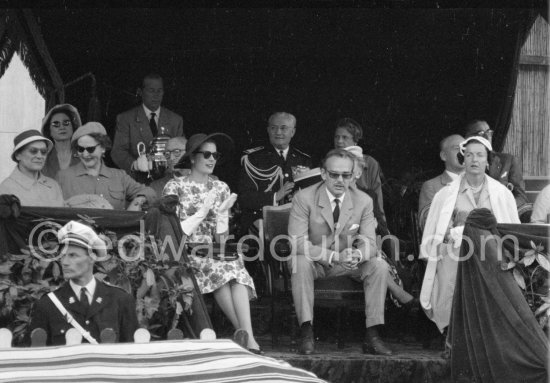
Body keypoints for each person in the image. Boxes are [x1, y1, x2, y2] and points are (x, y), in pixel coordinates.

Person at [289, 149, 416, 356]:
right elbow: (298, 243)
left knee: (378, 264)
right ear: (323, 174)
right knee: (299, 262)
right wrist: (336, 257)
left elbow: (369, 242)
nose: (340, 180)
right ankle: (306, 332)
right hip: (317, 264)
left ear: (353, 175)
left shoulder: (364, 200)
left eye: (346, 175)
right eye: (334, 174)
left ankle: (373, 335)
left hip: (349, 262)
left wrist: (358, 255)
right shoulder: (304, 198)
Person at [162, 133, 262, 354]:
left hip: (214, 251)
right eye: (206, 154)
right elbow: (178, 233)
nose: (211, 159)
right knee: (224, 270)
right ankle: (247, 338)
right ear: (192, 157)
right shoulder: (175, 186)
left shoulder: (221, 188)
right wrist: (202, 212)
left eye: (215, 155)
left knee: (233, 268)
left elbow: (221, 239)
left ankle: (246, 336)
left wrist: (222, 216)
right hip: (187, 252)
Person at [420, 136, 520, 335]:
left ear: (487, 161)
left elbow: (511, 232)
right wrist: (453, 233)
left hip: (490, 251)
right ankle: (452, 331)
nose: (474, 160)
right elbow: (437, 232)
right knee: (449, 263)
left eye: (480, 155)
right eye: (469, 155)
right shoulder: (446, 194)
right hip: (458, 252)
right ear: (463, 159)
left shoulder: (502, 194)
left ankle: (490, 331)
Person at [29, 220, 138, 345]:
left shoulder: (120, 300)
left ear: (92, 257)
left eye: (73, 255)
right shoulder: (48, 304)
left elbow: (132, 354)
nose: (64, 262)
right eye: (63, 256)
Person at [238, 112, 312, 234]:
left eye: (283, 128)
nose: (278, 132)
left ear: (292, 132)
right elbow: (245, 198)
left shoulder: (303, 159)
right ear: (268, 130)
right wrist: (275, 196)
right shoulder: (252, 158)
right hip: (261, 222)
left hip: (296, 222)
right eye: (273, 128)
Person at [57, 122, 157, 210]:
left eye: (90, 149)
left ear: (103, 148)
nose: (85, 154)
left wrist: (137, 202)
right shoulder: (63, 177)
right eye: (81, 149)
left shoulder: (119, 176)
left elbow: (150, 193)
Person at [111, 73, 185, 176]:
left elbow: (181, 151)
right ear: (141, 92)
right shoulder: (125, 119)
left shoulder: (175, 120)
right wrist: (134, 165)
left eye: (159, 91)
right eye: (151, 90)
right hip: (138, 180)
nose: (156, 95)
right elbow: (118, 152)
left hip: (167, 179)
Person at [464, 120, 530, 220]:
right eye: (481, 133)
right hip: (472, 216)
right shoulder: (466, 162)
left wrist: (502, 208)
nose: (487, 136)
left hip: (503, 216)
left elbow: (521, 197)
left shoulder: (508, 160)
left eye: (489, 132)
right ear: (469, 137)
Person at [333, 118, 385, 221]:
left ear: (355, 141)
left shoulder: (369, 163)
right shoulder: (329, 163)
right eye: (336, 137)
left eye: (344, 137)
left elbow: (378, 200)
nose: (339, 141)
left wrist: (382, 225)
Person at [0, 130, 64, 207]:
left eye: (43, 152)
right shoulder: (6, 189)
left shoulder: (53, 185)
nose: (40, 156)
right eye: (33, 151)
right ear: (18, 155)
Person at [418, 134, 464, 229]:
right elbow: (428, 225)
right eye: (456, 148)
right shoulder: (431, 186)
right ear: (444, 156)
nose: (462, 151)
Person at [40, 104, 82, 179]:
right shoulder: (42, 158)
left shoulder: (85, 154)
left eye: (66, 123)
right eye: (56, 124)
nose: (62, 127)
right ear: (49, 131)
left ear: (73, 127)